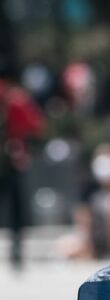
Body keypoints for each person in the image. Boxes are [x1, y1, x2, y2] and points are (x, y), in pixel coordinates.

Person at [0, 67, 45, 269]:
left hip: (9, 158)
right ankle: (16, 251)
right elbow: (35, 126)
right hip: (11, 159)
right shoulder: (16, 98)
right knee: (15, 206)